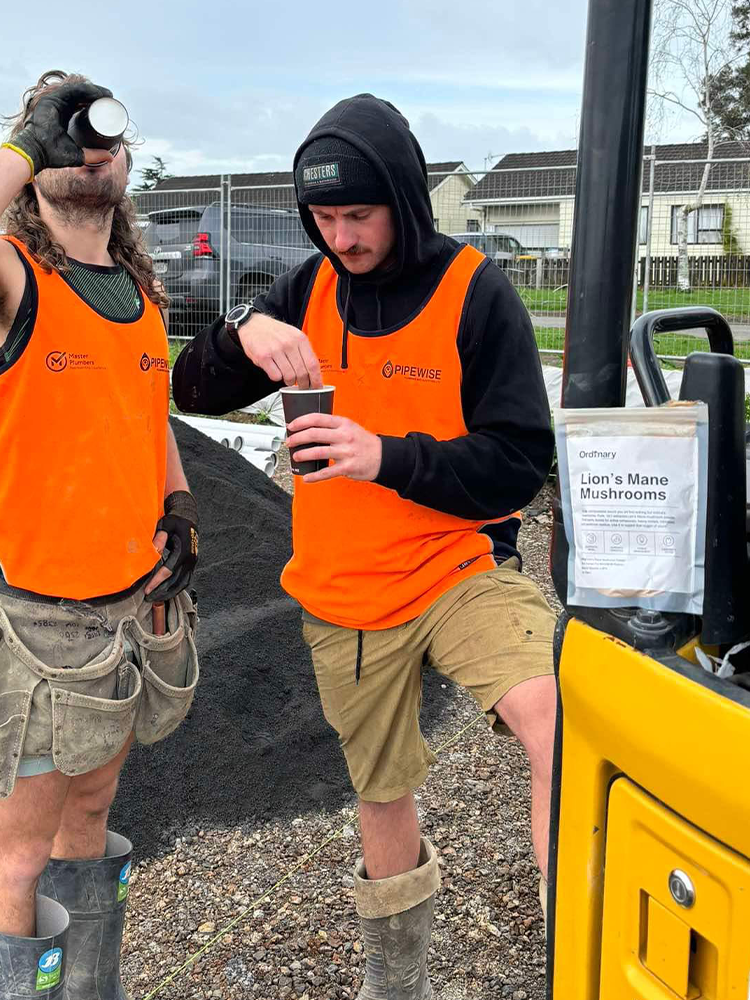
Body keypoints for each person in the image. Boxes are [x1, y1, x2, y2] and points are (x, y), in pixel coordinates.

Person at [171, 93, 557, 997]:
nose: (341, 236)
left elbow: (518, 463)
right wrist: (241, 330)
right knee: (381, 792)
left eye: (359, 214)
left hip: (461, 567)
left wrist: (385, 457)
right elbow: (191, 391)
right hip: (342, 592)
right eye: (325, 217)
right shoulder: (306, 289)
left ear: (405, 199)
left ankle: (574, 945)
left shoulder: (474, 292)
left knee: (560, 723)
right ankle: (399, 981)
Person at [0, 71, 200, 1000]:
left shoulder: (135, 297)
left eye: (100, 135)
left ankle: (89, 987)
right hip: (28, 626)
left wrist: (178, 505)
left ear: (126, 162)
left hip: (123, 615)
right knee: (17, 854)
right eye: (64, 137)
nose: (84, 148)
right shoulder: (3, 277)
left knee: (93, 811)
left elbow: (149, 422)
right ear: (33, 164)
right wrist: (30, 140)